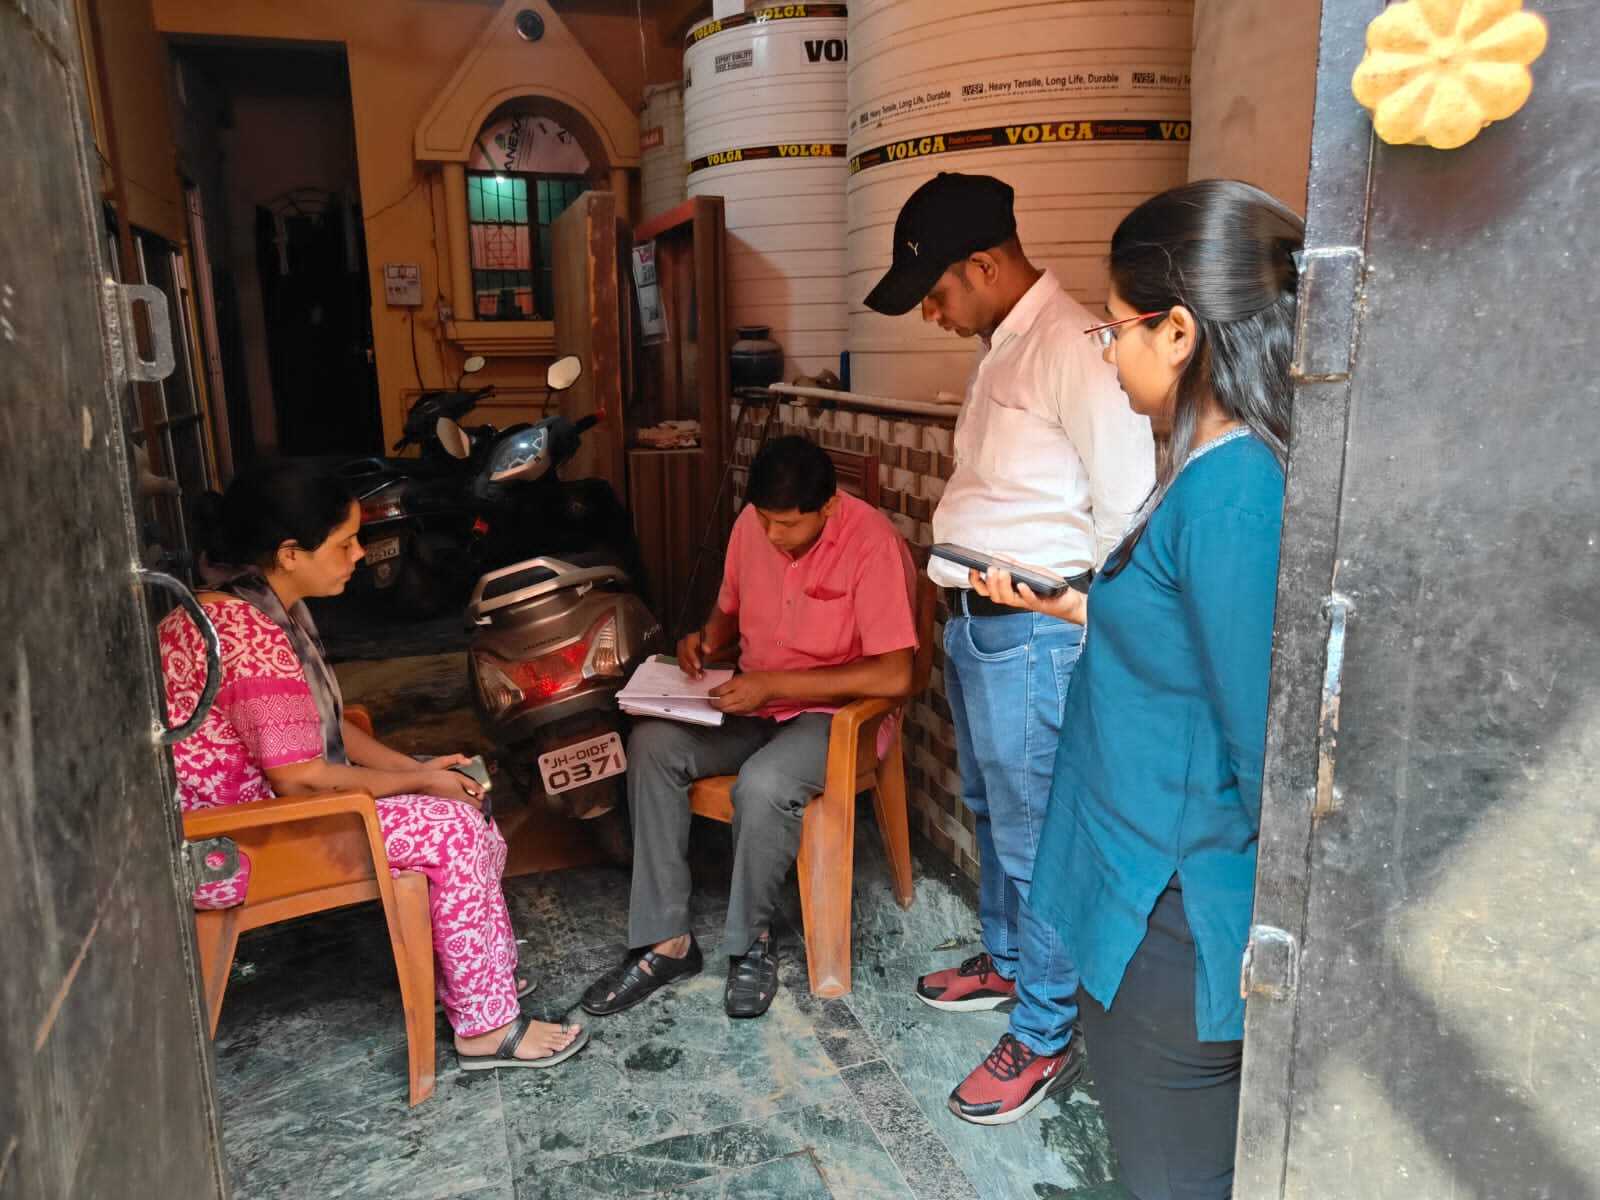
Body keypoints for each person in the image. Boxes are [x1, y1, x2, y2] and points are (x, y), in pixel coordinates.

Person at [973, 179, 1301, 1197]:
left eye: (1115, 328)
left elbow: (1263, 749)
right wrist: (1087, 606)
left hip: (1176, 930)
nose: (1107, 353)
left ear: (1178, 332)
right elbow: (1190, 646)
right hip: (1139, 905)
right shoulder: (1204, 467)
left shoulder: (1235, 489)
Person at [863, 171, 1155, 1125]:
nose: (932, 313)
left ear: (985, 265)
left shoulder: (1072, 346)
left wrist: (1082, 618)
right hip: (981, 628)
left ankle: (1044, 1031)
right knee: (993, 813)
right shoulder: (1005, 349)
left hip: (1036, 635)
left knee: (1036, 840)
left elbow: (1127, 508)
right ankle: (1011, 961)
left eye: (937, 291)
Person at [159, 461, 586, 1071]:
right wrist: (420, 779)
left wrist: (420, 766)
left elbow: (327, 728)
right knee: (457, 831)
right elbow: (300, 776)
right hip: (242, 843)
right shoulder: (248, 637)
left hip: (257, 816)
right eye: (345, 543)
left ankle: (470, 977)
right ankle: (486, 1028)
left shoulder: (248, 604)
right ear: (290, 553)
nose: (359, 554)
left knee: (460, 792)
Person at [581, 436, 917, 1020]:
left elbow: (895, 675)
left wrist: (775, 685)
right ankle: (666, 942)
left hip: (834, 718)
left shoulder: (872, 543)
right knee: (652, 745)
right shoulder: (751, 527)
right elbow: (728, 614)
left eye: (787, 524)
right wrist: (704, 642)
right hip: (753, 703)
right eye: (764, 519)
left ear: (828, 506)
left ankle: (752, 941)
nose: (773, 534)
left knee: (763, 784)